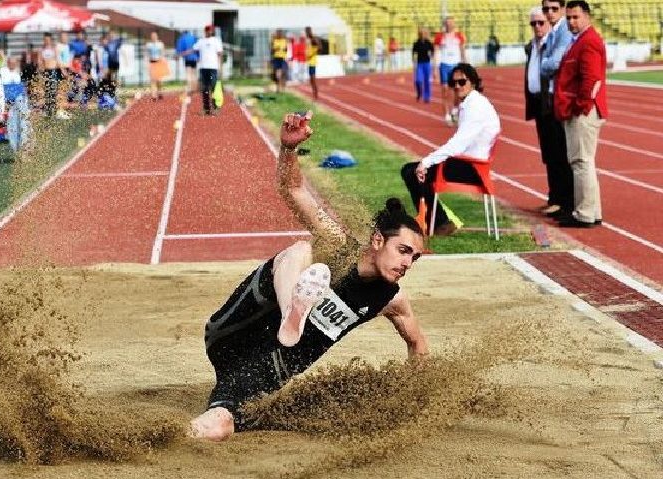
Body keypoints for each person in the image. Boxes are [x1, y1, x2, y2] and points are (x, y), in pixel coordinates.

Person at [189, 111, 429, 441]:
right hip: (236, 330)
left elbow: (418, 344)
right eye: (403, 251)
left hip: (265, 369)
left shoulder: (391, 298)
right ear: (377, 241)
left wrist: (413, 402)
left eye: (414, 257)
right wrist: (288, 149)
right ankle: (293, 310)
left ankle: (166, 439)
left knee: (220, 423)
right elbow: (292, 188)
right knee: (301, 251)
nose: (408, 263)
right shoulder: (339, 247)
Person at [400, 63, 500, 236]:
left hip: (472, 168)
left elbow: (457, 145)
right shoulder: (471, 102)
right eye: (453, 83)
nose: (457, 86)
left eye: (462, 82)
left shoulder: (475, 106)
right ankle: (438, 222)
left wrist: (426, 162)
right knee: (411, 170)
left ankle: (437, 223)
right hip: (467, 162)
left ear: (473, 82)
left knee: (412, 172)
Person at [553, 0, 607, 228]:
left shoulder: (589, 42)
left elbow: (592, 79)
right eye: (569, 18)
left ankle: (584, 213)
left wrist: (580, 106)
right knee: (585, 162)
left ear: (587, 16)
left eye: (576, 17)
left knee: (580, 162)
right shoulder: (580, 41)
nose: (572, 22)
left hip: (583, 111)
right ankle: (592, 211)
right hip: (581, 109)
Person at [524, 8, 573, 221]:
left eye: (541, 23)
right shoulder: (531, 46)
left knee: (558, 153)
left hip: (552, 103)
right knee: (548, 154)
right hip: (538, 103)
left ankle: (563, 200)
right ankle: (554, 198)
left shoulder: (552, 45)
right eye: (533, 23)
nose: (537, 27)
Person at [538, 0, 575, 217]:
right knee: (553, 152)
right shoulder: (553, 32)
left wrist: (544, 63)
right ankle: (559, 199)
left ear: (562, 8)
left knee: (562, 153)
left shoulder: (563, 32)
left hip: (559, 99)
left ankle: (566, 203)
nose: (550, 13)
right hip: (550, 98)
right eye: (546, 9)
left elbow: (553, 63)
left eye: (554, 9)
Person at [433, 17, 467, 126]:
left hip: (456, 66)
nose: (449, 25)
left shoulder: (459, 36)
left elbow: (463, 52)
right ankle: (447, 115)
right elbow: (436, 53)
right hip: (444, 65)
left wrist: (466, 66)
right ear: (445, 25)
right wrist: (435, 69)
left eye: (451, 23)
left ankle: (455, 110)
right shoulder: (439, 37)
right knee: (445, 91)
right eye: (447, 24)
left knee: (458, 91)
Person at [187, 25, 223, 116]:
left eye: (209, 30)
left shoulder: (216, 41)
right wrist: (183, 53)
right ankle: (206, 109)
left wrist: (220, 67)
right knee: (205, 89)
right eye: (206, 30)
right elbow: (193, 49)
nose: (208, 32)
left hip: (213, 68)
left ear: (212, 31)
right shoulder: (201, 41)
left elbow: (219, 54)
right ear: (205, 31)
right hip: (203, 68)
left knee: (214, 87)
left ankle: (216, 108)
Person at [412, 27, 434, 103]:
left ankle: (427, 97)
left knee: (427, 81)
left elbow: (432, 52)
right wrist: (414, 63)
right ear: (419, 34)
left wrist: (432, 57)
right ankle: (419, 93)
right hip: (419, 64)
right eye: (421, 33)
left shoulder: (429, 43)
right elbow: (414, 53)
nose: (423, 35)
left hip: (427, 64)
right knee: (418, 80)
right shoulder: (416, 43)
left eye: (424, 33)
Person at [145, 31, 168, 100]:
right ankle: (153, 95)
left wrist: (163, 62)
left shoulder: (160, 44)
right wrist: (147, 63)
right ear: (151, 37)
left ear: (157, 37)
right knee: (152, 80)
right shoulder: (148, 45)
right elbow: (146, 54)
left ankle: (160, 92)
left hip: (159, 62)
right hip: (152, 62)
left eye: (154, 36)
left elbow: (163, 53)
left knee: (159, 80)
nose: (153, 37)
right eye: (152, 36)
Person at [176, 30, 199, 95]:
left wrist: (179, 55)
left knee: (188, 74)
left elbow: (179, 49)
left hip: (187, 58)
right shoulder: (194, 38)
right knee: (194, 74)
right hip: (194, 58)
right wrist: (198, 57)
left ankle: (190, 89)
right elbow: (198, 48)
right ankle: (194, 89)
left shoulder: (182, 38)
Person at [305, 26, 320, 100]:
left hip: (313, 62)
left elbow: (319, 47)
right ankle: (314, 94)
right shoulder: (308, 40)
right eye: (306, 31)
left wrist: (314, 51)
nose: (307, 33)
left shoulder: (313, 39)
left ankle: (316, 95)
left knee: (313, 79)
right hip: (309, 62)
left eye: (308, 31)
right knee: (311, 80)